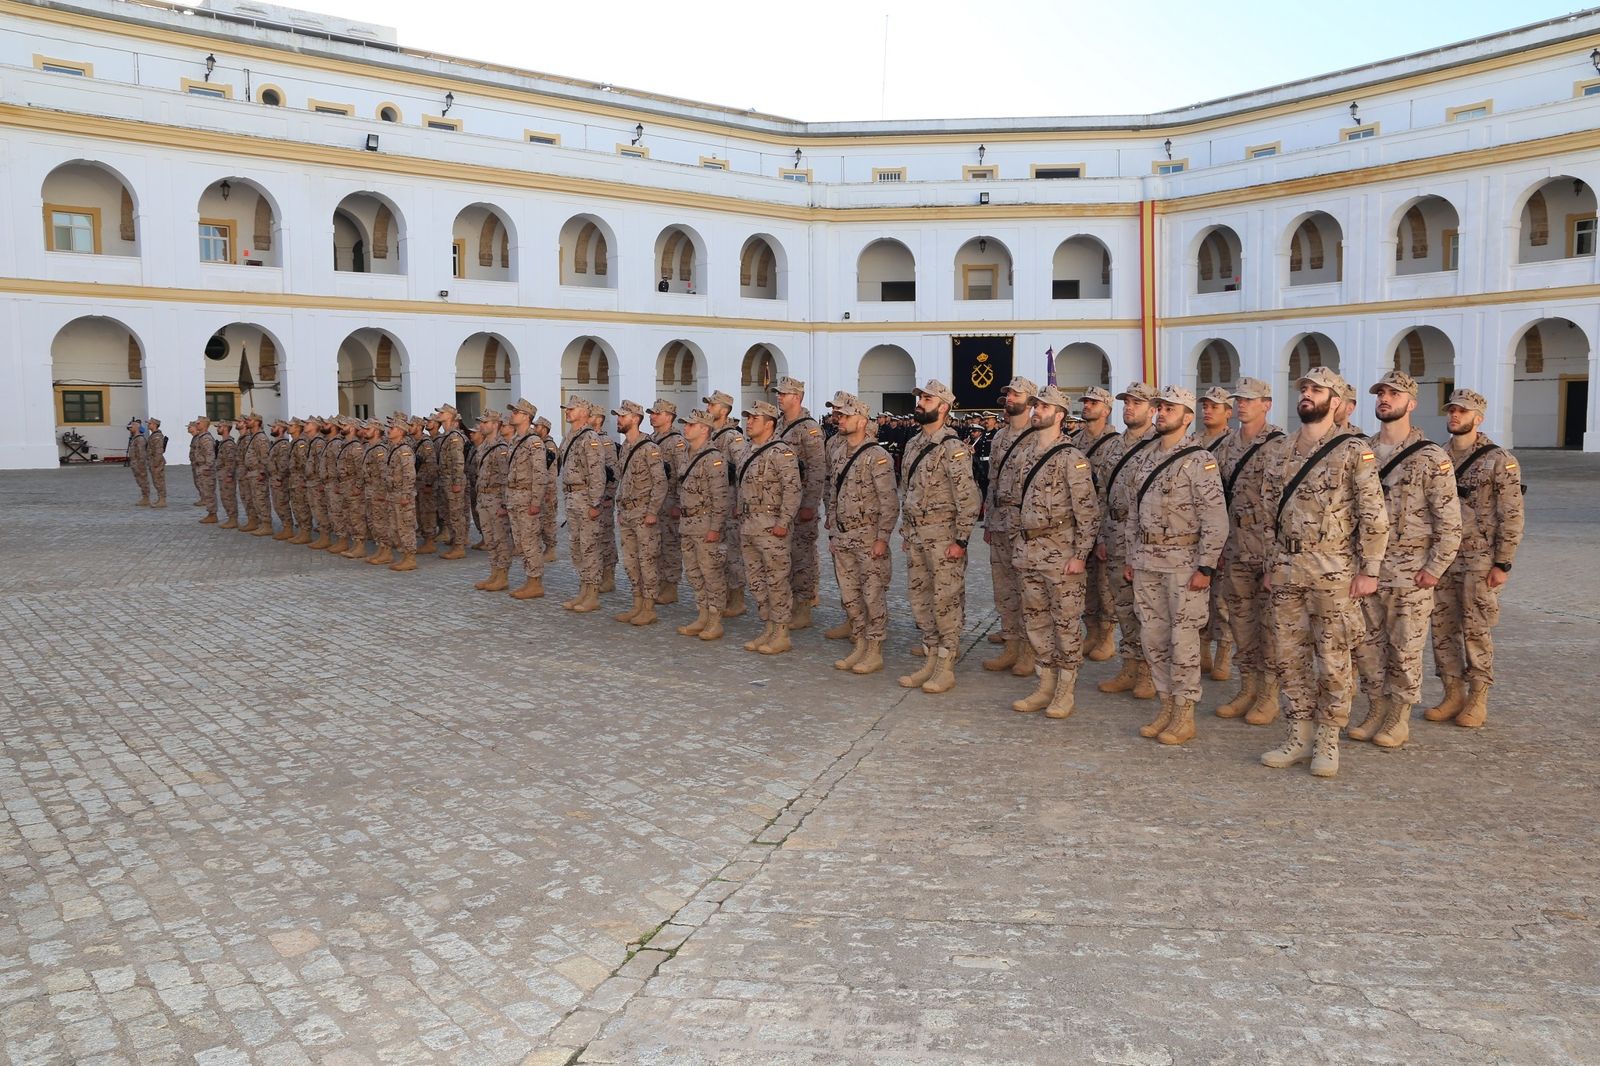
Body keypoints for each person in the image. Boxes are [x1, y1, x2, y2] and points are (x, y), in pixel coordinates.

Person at [1260, 367, 1389, 778]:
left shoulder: (1354, 450)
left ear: (1336, 402)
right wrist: (1269, 561)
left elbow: (1373, 515)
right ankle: (1298, 734)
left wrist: (1369, 570)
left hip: (1333, 570)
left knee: (1333, 658)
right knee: (1288, 656)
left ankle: (1328, 739)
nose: (1307, 395)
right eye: (1304, 389)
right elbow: (1266, 513)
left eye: (1317, 390)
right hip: (1285, 570)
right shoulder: (1278, 450)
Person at [1345, 370, 1462, 748]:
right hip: (1366, 570)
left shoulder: (1431, 458)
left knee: (1406, 647)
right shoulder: (1358, 450)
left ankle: (1399, 716)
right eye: (1380, 393)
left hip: (1409, 572)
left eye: (1393, 394)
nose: (1384, 399)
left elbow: (1450, 521)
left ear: (1411, 404)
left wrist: (1434, 569)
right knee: (1367, 646)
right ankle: (1376, 707)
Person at [1124, 387, 1229, 745]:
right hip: (1147, 562)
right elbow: (1132, 512)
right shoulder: (1146, 456)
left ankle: (1184, 714)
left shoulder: (1200, 460)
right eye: (1160, 407)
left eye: (1171, 408)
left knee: (1183, 642)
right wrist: (1131, 555)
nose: (1162, 413)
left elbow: (1216, 518)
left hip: (1184, 566)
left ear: (1187, 417)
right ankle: (1165, 705)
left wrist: (1207, 567)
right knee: (1153, 639)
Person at [1424, 387, 1524, 729]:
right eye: (1451, 410)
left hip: (1480, 558)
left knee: (1476, 628)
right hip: (1442, 558)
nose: (1454, 416)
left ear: (1477, 419)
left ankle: (1478, 696)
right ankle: (1453, 693)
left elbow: (1511, 514)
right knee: (1442, 627)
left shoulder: (1500, 459)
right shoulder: (1436, 455)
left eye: (1462, 412)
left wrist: (1503, 562)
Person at [1010, 386, 1100, 719]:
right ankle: (1044, 683)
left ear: (1060, 415)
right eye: (1034, 406)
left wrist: (1080, 555)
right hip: (1029, 551)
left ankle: (1065, 688)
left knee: (1065, 623)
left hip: (1061, 554)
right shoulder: (1025, 454)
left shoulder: (1071, 458)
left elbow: (1088, 512)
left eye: (1044, 407)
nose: (1036, 411)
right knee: (1035, 621)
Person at [896, 380, 981, 694]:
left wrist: (961, 541)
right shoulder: (914, 443)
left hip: (944, 537)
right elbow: (907, 491)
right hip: (918, 536)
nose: (921, 403)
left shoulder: (953, 447)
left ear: (943, 407)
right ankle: (930, 659)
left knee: (946, 602)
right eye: (920, 398)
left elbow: (968, 497)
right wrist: (907, 530)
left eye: (928, 399)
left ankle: (946, 666)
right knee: (921, 600)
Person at [1212, 378, 1285, 724]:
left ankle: (1269, 694)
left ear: (1266, 404)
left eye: (1249, 400)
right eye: (1238, 399)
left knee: (1270, 623)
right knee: (1240, 620)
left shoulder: (1280, 445)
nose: (1242, 404)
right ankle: (1247, 687)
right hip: (1235, 545)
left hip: (1267, 547)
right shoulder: (1226, 445)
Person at [825, 392, 899, 675]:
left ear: (861, 419)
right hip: (843, 537)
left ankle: (874, 649)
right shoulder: (838, 452)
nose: (839, 420)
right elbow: (833, 492)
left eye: (844, 416)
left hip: (868, 537)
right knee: (850, 595)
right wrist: (833, 529)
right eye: (838, 415)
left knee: (872, 595)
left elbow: (889, 501)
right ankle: (859, 642)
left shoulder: (877, 457)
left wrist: (882, 538)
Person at [1096, 383, 1159, 699]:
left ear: (1152, 409)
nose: (1129, 408)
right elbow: (1101, 495)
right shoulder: (1112, 447)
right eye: (1126, 403)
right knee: (1122, 607)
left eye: (1137, 403)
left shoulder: (1160, 446)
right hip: (1115, 534)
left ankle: (1149, 672)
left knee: (1147, 610)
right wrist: (1100, 536)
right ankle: (1129, 666)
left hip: (1147, 541)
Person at [981, 377, 1041, 678]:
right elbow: (992, 481)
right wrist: (989, 519)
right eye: (1008, 394)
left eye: (1016, 394)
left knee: (1027, 590)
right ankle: (1011, 645)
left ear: (1030, 402)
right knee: (1004, 588)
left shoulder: (1037, 437)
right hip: (1001, 520)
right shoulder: (1000, 436)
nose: (1010, 398)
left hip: (1024, 525)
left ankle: (1030, 650)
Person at [737, 400, 801, 654]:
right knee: (756, 581)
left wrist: (784, 522)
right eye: (748, 418)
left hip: (771, 528)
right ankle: (768, 627)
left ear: (770, 424)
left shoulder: (781, 452)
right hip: (749, 526)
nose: (749, 422)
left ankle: (782, 632)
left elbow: (792, 490)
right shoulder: (747, 450)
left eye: (754, 418)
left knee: (776, 581)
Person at [1072, 386, 1122, 662]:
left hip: (1104, 524)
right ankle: (1090, 631)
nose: (1087, 406)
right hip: (1080, 524)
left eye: (1093, 402)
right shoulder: (1075, 442)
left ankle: (1107, 635)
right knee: (1086, 583)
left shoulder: (1116, 443)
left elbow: (1113, 491)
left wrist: (1103, 534)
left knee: (1105, 583)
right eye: (1086, 402)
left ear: (1106, 409)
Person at [774, 377, 827, 629]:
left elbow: (818, 468)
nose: (779, 397)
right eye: (779, 393)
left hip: (802, 503)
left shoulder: (809, 429)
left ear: (797, 397)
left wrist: (810, 504)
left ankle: (804, 606)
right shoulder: (778, 425)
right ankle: (790, 601)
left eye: (784, 393)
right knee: (785, 556)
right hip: (781, 504)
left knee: (802, 555)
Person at [675, 409, 733, 641]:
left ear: (704, 429)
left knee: (711, 574)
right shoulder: (686, 454)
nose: (685, 428)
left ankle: (715, 619)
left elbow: (720, 498)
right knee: (694, 573)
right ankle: (702, 614)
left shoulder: (713, 458)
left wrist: (715, 528)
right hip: (688, 524)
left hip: (705, 524)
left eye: (691, 424)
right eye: (685, 424)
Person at [1189, 388, 1234, 680]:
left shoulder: (1234, 444)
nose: (1208, 411)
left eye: (1215, 407)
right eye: (1205, 405)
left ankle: (1225, 653)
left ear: (1228, 412)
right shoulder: (1192, 443)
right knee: (1200, 594)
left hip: (1227, 528)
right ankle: (1202, 647)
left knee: (1224, 597)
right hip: (1195, 530)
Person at [611, 400, 668, 624]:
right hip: (626, 513)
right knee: (631, 562)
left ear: (635, 419)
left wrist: (652, 511)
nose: (618, 420)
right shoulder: (625, 446)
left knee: (647, 561)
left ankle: (649, 608)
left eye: (623, 416)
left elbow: (660, 483)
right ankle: (636, 603)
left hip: (644, 514)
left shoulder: (649, 448)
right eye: (618, 416)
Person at [560, 399, 609, 612]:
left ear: (584, 412)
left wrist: (595, 503)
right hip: (572, 498)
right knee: (577, 546)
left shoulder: (590, 438)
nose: (567, 412)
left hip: (585, 498)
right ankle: (583, 589)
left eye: (572, 409)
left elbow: (597, 473)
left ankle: (593, 594)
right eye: (567, 409)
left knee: (589, 547)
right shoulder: (569, 437)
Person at [705, 390, 749, 617]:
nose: (708, 408)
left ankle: (737, 598)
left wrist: (740, 502)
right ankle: (721, 595)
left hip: (730, 501)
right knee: (717, 552)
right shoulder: (710, 435)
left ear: (723, 410)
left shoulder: (733, 436)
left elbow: (743, 469)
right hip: (714, 504)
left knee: (732, 551)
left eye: (712, 405)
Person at [501, 399, 549, 599]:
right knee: (521, 542)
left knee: (530, 542)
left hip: (527, 498)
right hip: (514, 498)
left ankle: (536, 583)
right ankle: (529, 580)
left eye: (516, 412)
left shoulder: (534, 442)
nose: (512, 415)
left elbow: (540, 474)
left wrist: (536, 502)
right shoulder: (514, 440)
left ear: (526, 417)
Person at [648, 399, 689, 604]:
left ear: (668, 416)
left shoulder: (677, 442)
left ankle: (671, 586)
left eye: (657, 413)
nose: (652, 416)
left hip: (670, 500)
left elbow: (683, 473)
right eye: (652, 413)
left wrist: (679, 503)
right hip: (655, 501)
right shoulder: (652, 439)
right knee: (656, 544)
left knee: (670, 544)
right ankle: (660, 582)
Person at [470, 409, 510, 590]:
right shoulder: (483, 446)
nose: (481, 425)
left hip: (496, 498)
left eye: (486, 422)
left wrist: (503, 504)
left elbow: (505, 478)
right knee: (490, 538)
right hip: (484, 497)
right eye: (481, 422)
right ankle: (494, 572)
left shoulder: (501, 448)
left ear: (496, 424)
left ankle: (502, 575)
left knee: (500, 538)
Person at [590, 407, 620, 593]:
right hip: (589, 498)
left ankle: (609, 576)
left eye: (591, 415)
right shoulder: (583, 439)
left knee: (605, 537)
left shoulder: (605, 442)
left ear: (599, 419)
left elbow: (613, 472)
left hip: (604, 500)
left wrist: (608, 496)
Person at [434, 405, 470, 560]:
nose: (439, 414)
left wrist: (456, 481)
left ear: (450, 416)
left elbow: (458, 461)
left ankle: (460, 546)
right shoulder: (447, 435)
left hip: (453, 481)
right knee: (449, 513)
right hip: (445, 481)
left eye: (442, 413)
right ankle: (455, 541)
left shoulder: (454, 436)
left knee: (456, 514)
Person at [337, 417, 370, 558]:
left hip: (353, 487)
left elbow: (360, 470)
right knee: (349, 516)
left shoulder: (356, 447)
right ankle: (355, 544)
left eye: (344, 425)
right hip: (345, 485)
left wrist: (357, 487)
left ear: (351, 428)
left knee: (357, 516)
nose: (341, 427)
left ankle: (361, 546)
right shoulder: (346, 444)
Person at [533, 416, 559, 562]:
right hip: (541, 488)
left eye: (537, 426)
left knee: (548, 520)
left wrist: (549, 490)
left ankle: (550, 549)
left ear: (544, 428)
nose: (534, 429)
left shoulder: (549, 445)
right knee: (542, 520)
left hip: (548, 490)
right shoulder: (539, 443)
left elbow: (551, 470)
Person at [414, 415, 440, 554]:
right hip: (418, 484)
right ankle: (426, 539)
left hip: (425, 485)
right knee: (420, 514)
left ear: (418, 427)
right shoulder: (415, 442)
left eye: (412, 425)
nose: (409, 428)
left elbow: (431, 464)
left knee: (427, 513)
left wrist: (429, 483)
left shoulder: (426, 443)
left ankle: (430, 541)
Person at [267, 418, 296, 540]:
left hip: (280, 480)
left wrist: (279, 477)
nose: (271, 429)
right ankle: (286, 527)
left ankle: (288, 528)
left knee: (282, 504)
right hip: (274, 478)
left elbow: (284, 463)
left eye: (274, 427)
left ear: (281, 429)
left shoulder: (283, 444)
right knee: (277, 504)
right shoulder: (277, 443)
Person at [285, 419, 313, 543]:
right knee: (296, 506)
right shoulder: (294, 442)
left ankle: (306, 533)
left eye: (291, 426)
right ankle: (302, 531)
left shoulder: (301, 442)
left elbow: (303, 463)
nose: (288, 428)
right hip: (294, 479)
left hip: (299, 479)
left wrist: (303, 480)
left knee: (302, 507)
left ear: (298, 428)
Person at [215, 420, 240, 529]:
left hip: (226, 474)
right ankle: (231, 518)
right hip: (223, 474)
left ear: (225, 428)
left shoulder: (229, 444)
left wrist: (229, 475)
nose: (217, 428)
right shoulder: (224, 442)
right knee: (225, 497)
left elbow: (231, 460)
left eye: (219, 427)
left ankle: (233, 519)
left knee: (229, 497)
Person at [193, 417, 218, 523]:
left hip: (206, 469)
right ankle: (210, 513)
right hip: (201, 467)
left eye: (198, 423)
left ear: (204, 424)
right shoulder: (200, 437)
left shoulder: (206, 438)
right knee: (206, 492)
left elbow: (210, 454)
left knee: (209, 493)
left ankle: (213, 514)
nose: (196, 425)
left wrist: (207, 468)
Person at [126, 418, 151, 506]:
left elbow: (141, 454)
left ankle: (146, 498)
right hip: (135, 464)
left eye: (131, 427)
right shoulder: (135, 438)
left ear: (136, 427)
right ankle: (144, 497)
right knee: (140, 481)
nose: (129, 429)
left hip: (139, 465)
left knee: (143, 480)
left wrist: (140, 465)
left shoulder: (140, 439)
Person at [145, 418, 168, 507]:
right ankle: (160, 498)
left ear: (155, 425)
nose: (148, 425)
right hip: (153, 461)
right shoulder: (153, 435)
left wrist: (155, 463)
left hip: (156, 462)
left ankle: (162, 500)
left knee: (159, 481)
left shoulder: (157, 436)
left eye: (150, 423)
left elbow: (159, 451)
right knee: (156, 481)